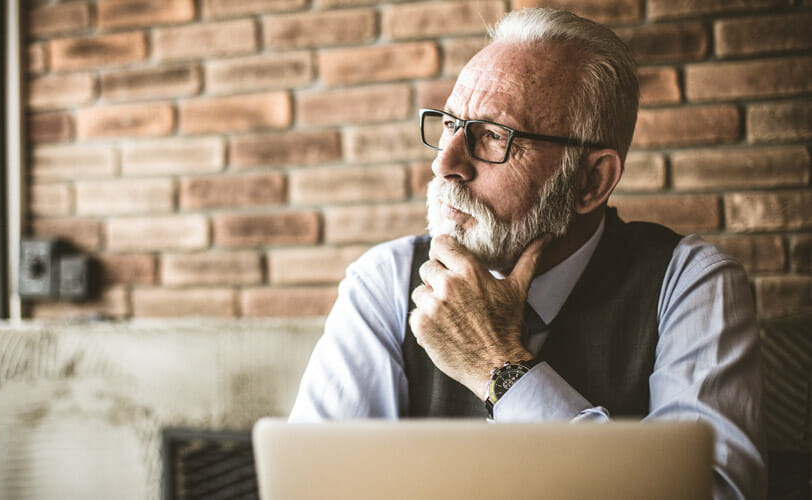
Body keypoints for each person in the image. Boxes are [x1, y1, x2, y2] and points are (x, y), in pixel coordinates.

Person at [289, 8, 765, 499]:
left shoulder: (690, 283)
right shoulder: (384, 281)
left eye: (494, 136)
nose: (445, 163)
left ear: (591, 180)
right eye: (451, 124)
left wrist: (499, 366)